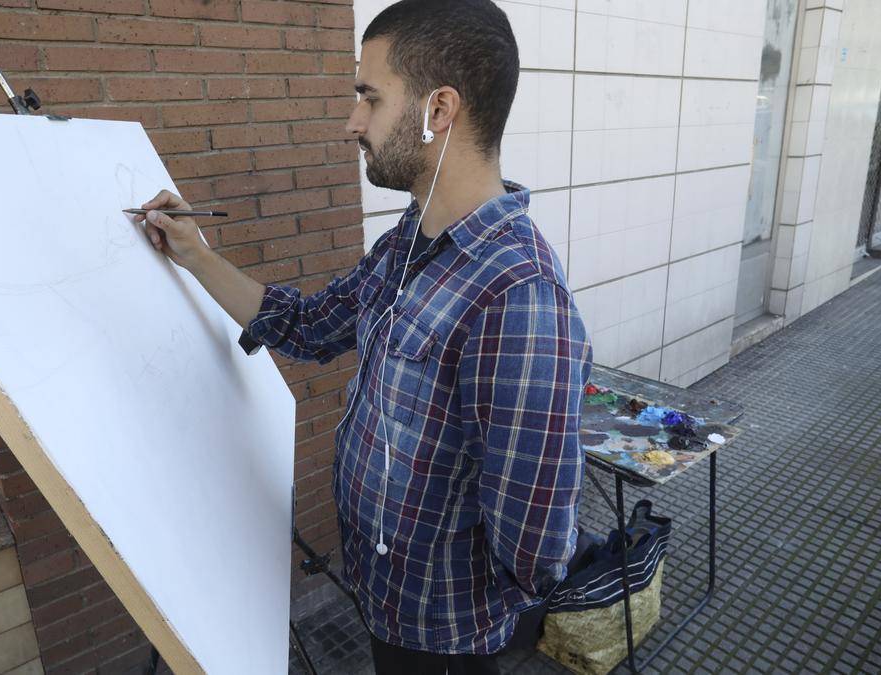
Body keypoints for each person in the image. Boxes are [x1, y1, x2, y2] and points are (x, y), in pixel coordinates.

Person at [133, 1, 590, 672]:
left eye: (369, 98)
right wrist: (195, 254)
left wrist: (473, 607)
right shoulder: (408, 242)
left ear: (439, 111)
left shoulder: (517, 295)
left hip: (444, 636)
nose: (353, 121)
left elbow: (536, 547)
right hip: (385, 603)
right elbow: (311, 324)